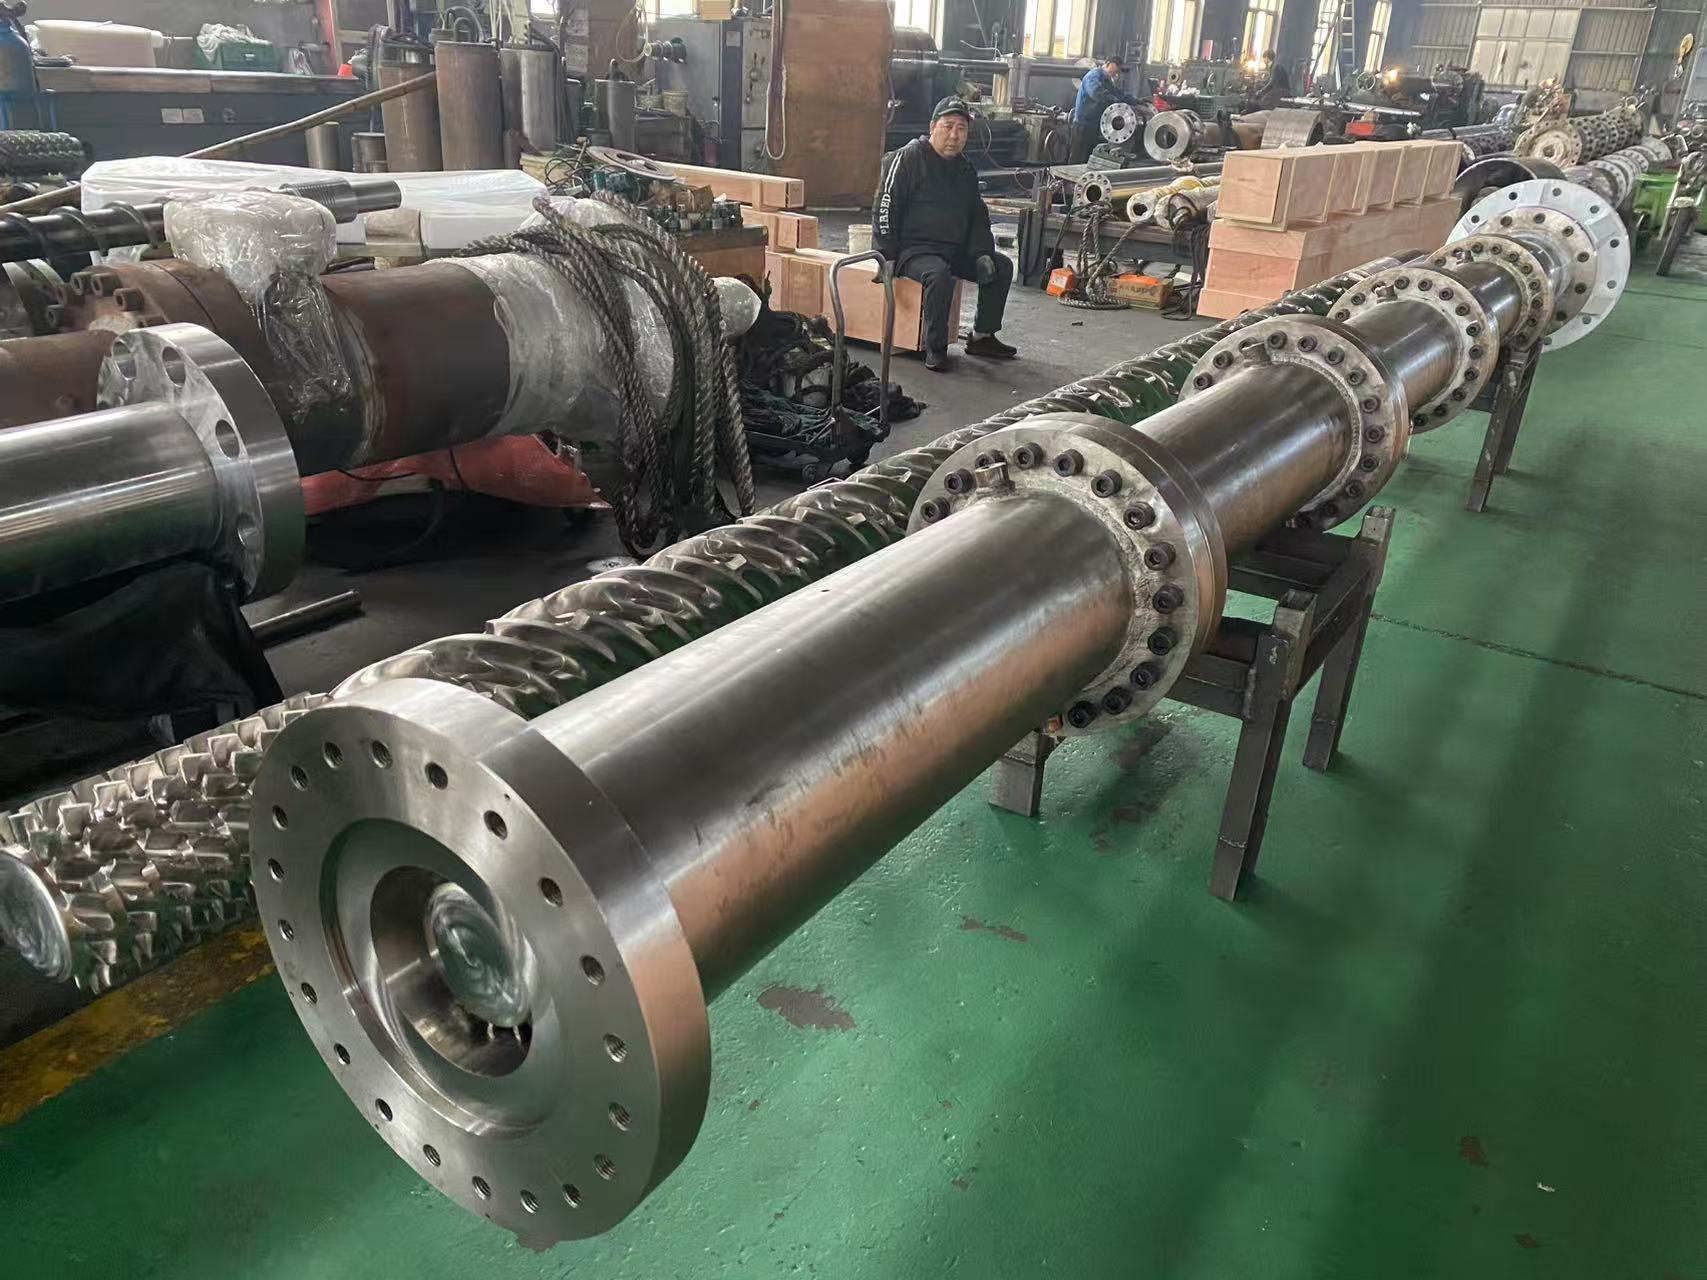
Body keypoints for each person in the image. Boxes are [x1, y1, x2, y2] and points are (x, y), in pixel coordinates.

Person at [872, 96, 1017, 372]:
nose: (954, 135)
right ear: (932, 127)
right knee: (938, 275)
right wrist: (885, 255)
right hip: (915, 251)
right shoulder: (908, 158)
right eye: (948, 126)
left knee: (1002, 266)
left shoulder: (964, 168)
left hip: (953, 249)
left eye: (961, 129)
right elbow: (885, 206)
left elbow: (977, 214)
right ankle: (935, 348)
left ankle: (982, 336)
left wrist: (982, 253)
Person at [1071, 53, 1137, 164]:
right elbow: (1096, 93)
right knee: (1078, 157)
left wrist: (1135, 101)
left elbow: (1118, 94)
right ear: (1107, 63)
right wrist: (1115, 101)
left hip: (1094, 124)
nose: (1116, 73)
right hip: (1083, 124)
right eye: (1115, 69)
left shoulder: (1106, 80)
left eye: (1118, 71)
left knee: (1088, 157)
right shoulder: (1093, 76)